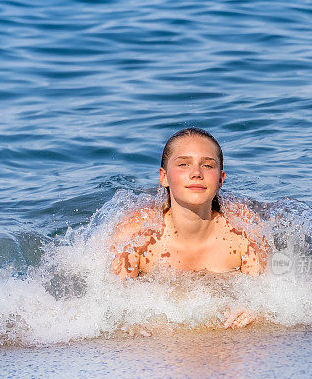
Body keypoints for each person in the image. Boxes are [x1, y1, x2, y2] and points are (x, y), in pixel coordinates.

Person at [110, 127, 270, 330]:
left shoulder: (244, 230)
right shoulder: (137, 235)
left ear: (220, 179)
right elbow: (111, 301)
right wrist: (129, 322)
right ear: (164, 177)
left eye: (207, 165)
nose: (196, 173)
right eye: (183, 164)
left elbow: (268, 295)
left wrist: (254, 309)